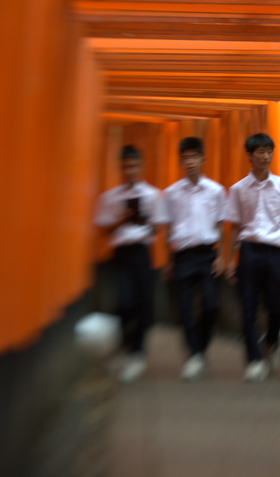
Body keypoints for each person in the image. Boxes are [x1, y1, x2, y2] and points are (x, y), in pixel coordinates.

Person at [225, 132, 280, 382]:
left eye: (269, 151)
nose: (266, 156)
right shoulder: (238, 189)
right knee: (248, 307)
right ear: (250, 156)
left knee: (278, 307)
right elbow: (234, 226)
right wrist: (228, 259)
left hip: (277, 252)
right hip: (249, 250)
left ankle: (270, 340)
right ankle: (254, 360)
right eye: (261, 152)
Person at [94, 144, 169, 383]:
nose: (131, 170)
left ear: (142, 166)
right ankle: (126, 343)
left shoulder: (152, 195)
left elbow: (160, 226)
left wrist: (145, 221)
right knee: (125, 301)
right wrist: (121, 219)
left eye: (135, 165)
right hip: (121, 253)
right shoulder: (110, 197)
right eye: (126, 166)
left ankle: (137, 351)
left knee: (143, 303)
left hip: (142, 253)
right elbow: (102, 229)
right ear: (121, 167)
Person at [162, 136, 227, 381]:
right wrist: (168, 262)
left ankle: (199, 346)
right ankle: (194, 354)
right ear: (180, 161)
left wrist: (221, 256)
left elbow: (222, 225)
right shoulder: (171, 193)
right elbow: (168, 230)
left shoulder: (216, 191)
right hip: (182, 255)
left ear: (203, 159)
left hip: (207, 253)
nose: (190, 162)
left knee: (212, 306)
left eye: (194, 157)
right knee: (185, 308)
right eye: (185, 158)